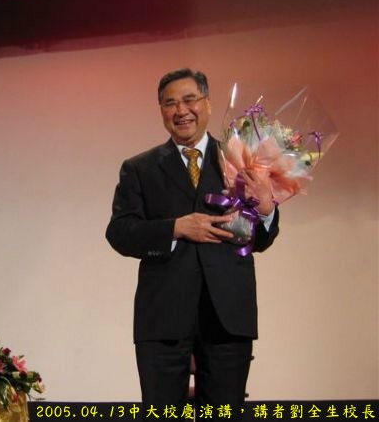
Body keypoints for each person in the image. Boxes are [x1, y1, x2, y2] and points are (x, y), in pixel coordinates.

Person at [105, 69, 279, 420]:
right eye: (170, 103)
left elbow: (259, 240)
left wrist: (266, 211)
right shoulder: (139, 168)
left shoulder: (240, 161)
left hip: (227, 315)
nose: (180, 110)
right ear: (161, 111)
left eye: (189, 100)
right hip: (163, 317)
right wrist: (176, 228)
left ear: (208, 104)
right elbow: (120, 232)